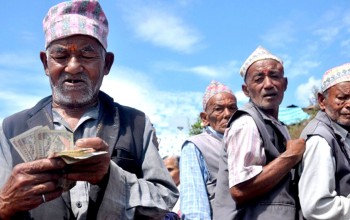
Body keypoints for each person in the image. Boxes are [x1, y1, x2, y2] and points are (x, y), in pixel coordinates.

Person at [0, 1, 178, 219]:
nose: (73, 66)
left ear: (107, 64)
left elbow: (164, 201)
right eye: (61, 56)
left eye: (87, 55)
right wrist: (5, 203)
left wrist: (111, 177)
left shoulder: (136, 123)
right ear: (45, 64)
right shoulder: (11, 128)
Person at [213, 46, 305, 220]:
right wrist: (291, 156)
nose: (268, 84)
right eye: (259, 78)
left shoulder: (278, 126)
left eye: (274, 76)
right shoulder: (246, 123)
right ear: (246, 90)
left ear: (284, 84)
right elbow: (240, 189)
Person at [298, 63, 350, 219]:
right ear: (322, 100)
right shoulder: (320, 139)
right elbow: (317, 207)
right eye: (341, 98)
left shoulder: (341, 131)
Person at [180, 80, 238, 219]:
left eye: (232, 108)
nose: (227, 114)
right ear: (205, 118)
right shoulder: (195, 146)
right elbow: (194, 205)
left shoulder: (245, 141)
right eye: (219, 109)